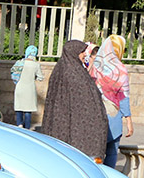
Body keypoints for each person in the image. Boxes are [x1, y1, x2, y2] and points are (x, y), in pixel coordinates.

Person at [41, 39, 108, 158]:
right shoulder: (74, 74)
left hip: (60, 127)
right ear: (73, 52)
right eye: (82, 52)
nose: (85, 55)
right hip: (76, 130)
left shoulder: (62, 70)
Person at [88, 35, 133, 168]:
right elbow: (123, 96)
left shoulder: (95, 67)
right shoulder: (120, 69)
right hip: (113, 115)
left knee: (95, 151)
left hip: (94, 114)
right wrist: (129, 120)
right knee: (112, 151)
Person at [11, 45, 44, 129]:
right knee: (28, 110)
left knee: (19, 108)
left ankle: (19, 125)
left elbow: (13, 73)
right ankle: (27, 127)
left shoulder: (19, 63)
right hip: (30, 89)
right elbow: (40, 77)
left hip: (19, 88)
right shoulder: (36, 65)